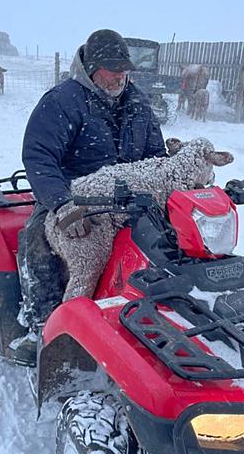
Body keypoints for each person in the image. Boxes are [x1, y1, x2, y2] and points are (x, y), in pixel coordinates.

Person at [14, 29, 166, 365]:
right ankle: (41, 325)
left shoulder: (138, 103)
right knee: (36, 241)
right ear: (92, 67)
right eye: (113, 69)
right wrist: (60, 204)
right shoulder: (61, 102)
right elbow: (39, 158)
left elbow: (156, 154)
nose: (121, 76)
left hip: (129, 199)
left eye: (124, 69)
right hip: (73, 197)